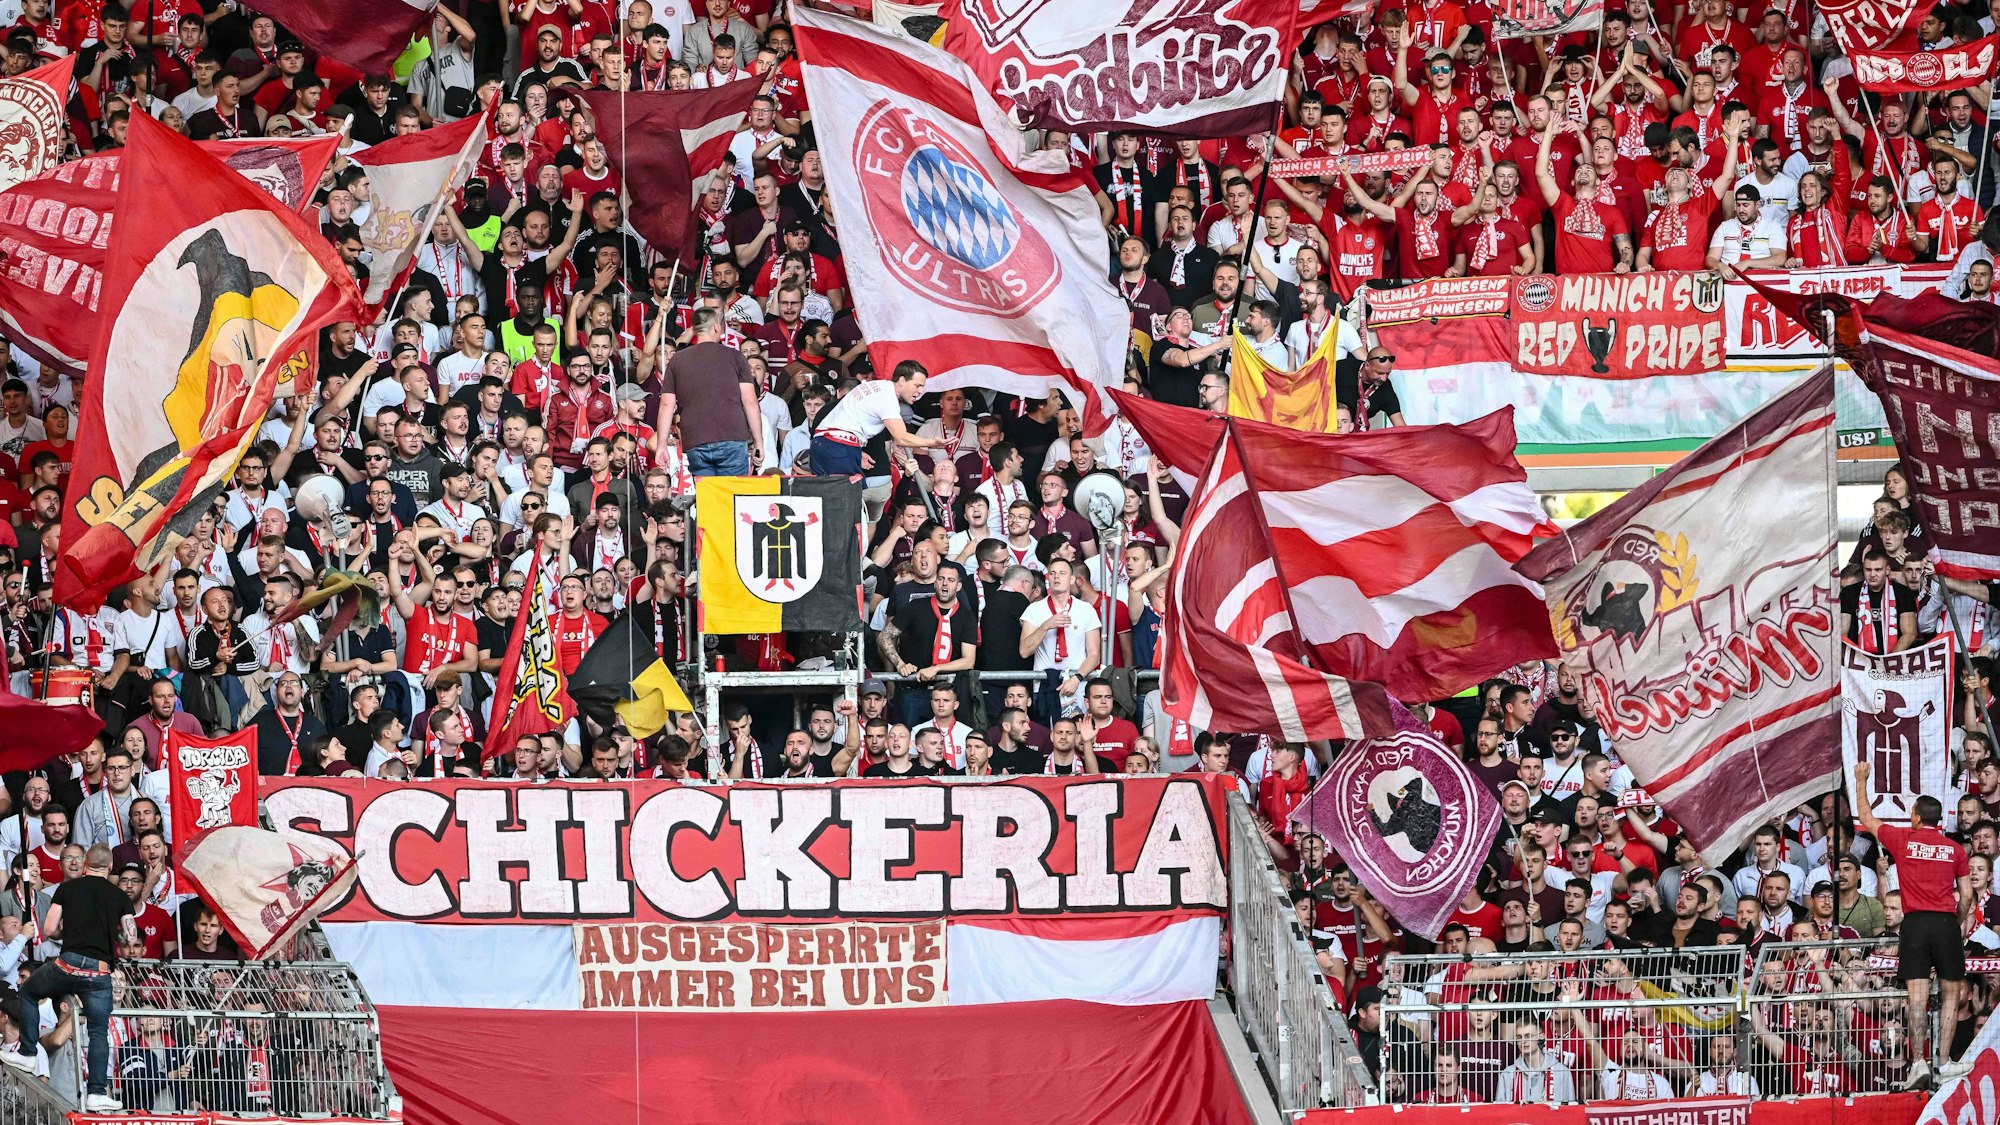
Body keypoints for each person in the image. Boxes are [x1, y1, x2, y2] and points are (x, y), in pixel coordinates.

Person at [1855, 764, 1974, 1088]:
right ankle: (1944, 1061)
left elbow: (1866, 817)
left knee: (1917, 997)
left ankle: (1918, 1063)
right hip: (1946, 923)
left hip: (1916, 925)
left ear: (1918, 817)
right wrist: (1957, 919)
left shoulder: (1903, 839)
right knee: (1951, 994)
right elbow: (1966, 895)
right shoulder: (1954, 849)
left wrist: (1862, 779)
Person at [7, 844, 134, 1112]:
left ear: (86, 862)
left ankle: (29, 1053)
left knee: (29, 991)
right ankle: (97, 1093)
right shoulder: (119, 895)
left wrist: (69, 934)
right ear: (110, 867)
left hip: (68, 965)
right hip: (99, 972)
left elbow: (50, 928)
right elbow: (130, 938)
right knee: (99, 1031)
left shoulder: (67, 888)